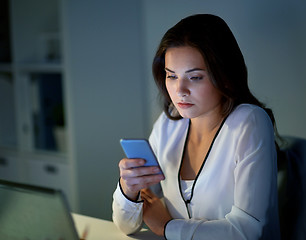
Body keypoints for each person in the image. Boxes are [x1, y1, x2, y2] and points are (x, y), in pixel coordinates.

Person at [112, 14, 280, 239]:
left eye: (195, 77)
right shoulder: (169, 123)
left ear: (225, 76)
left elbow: (247, 231)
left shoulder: (250, 122)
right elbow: (126, 227)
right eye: (172, 76)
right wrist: (128, 190)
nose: (180, 90)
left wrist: (166, 226)